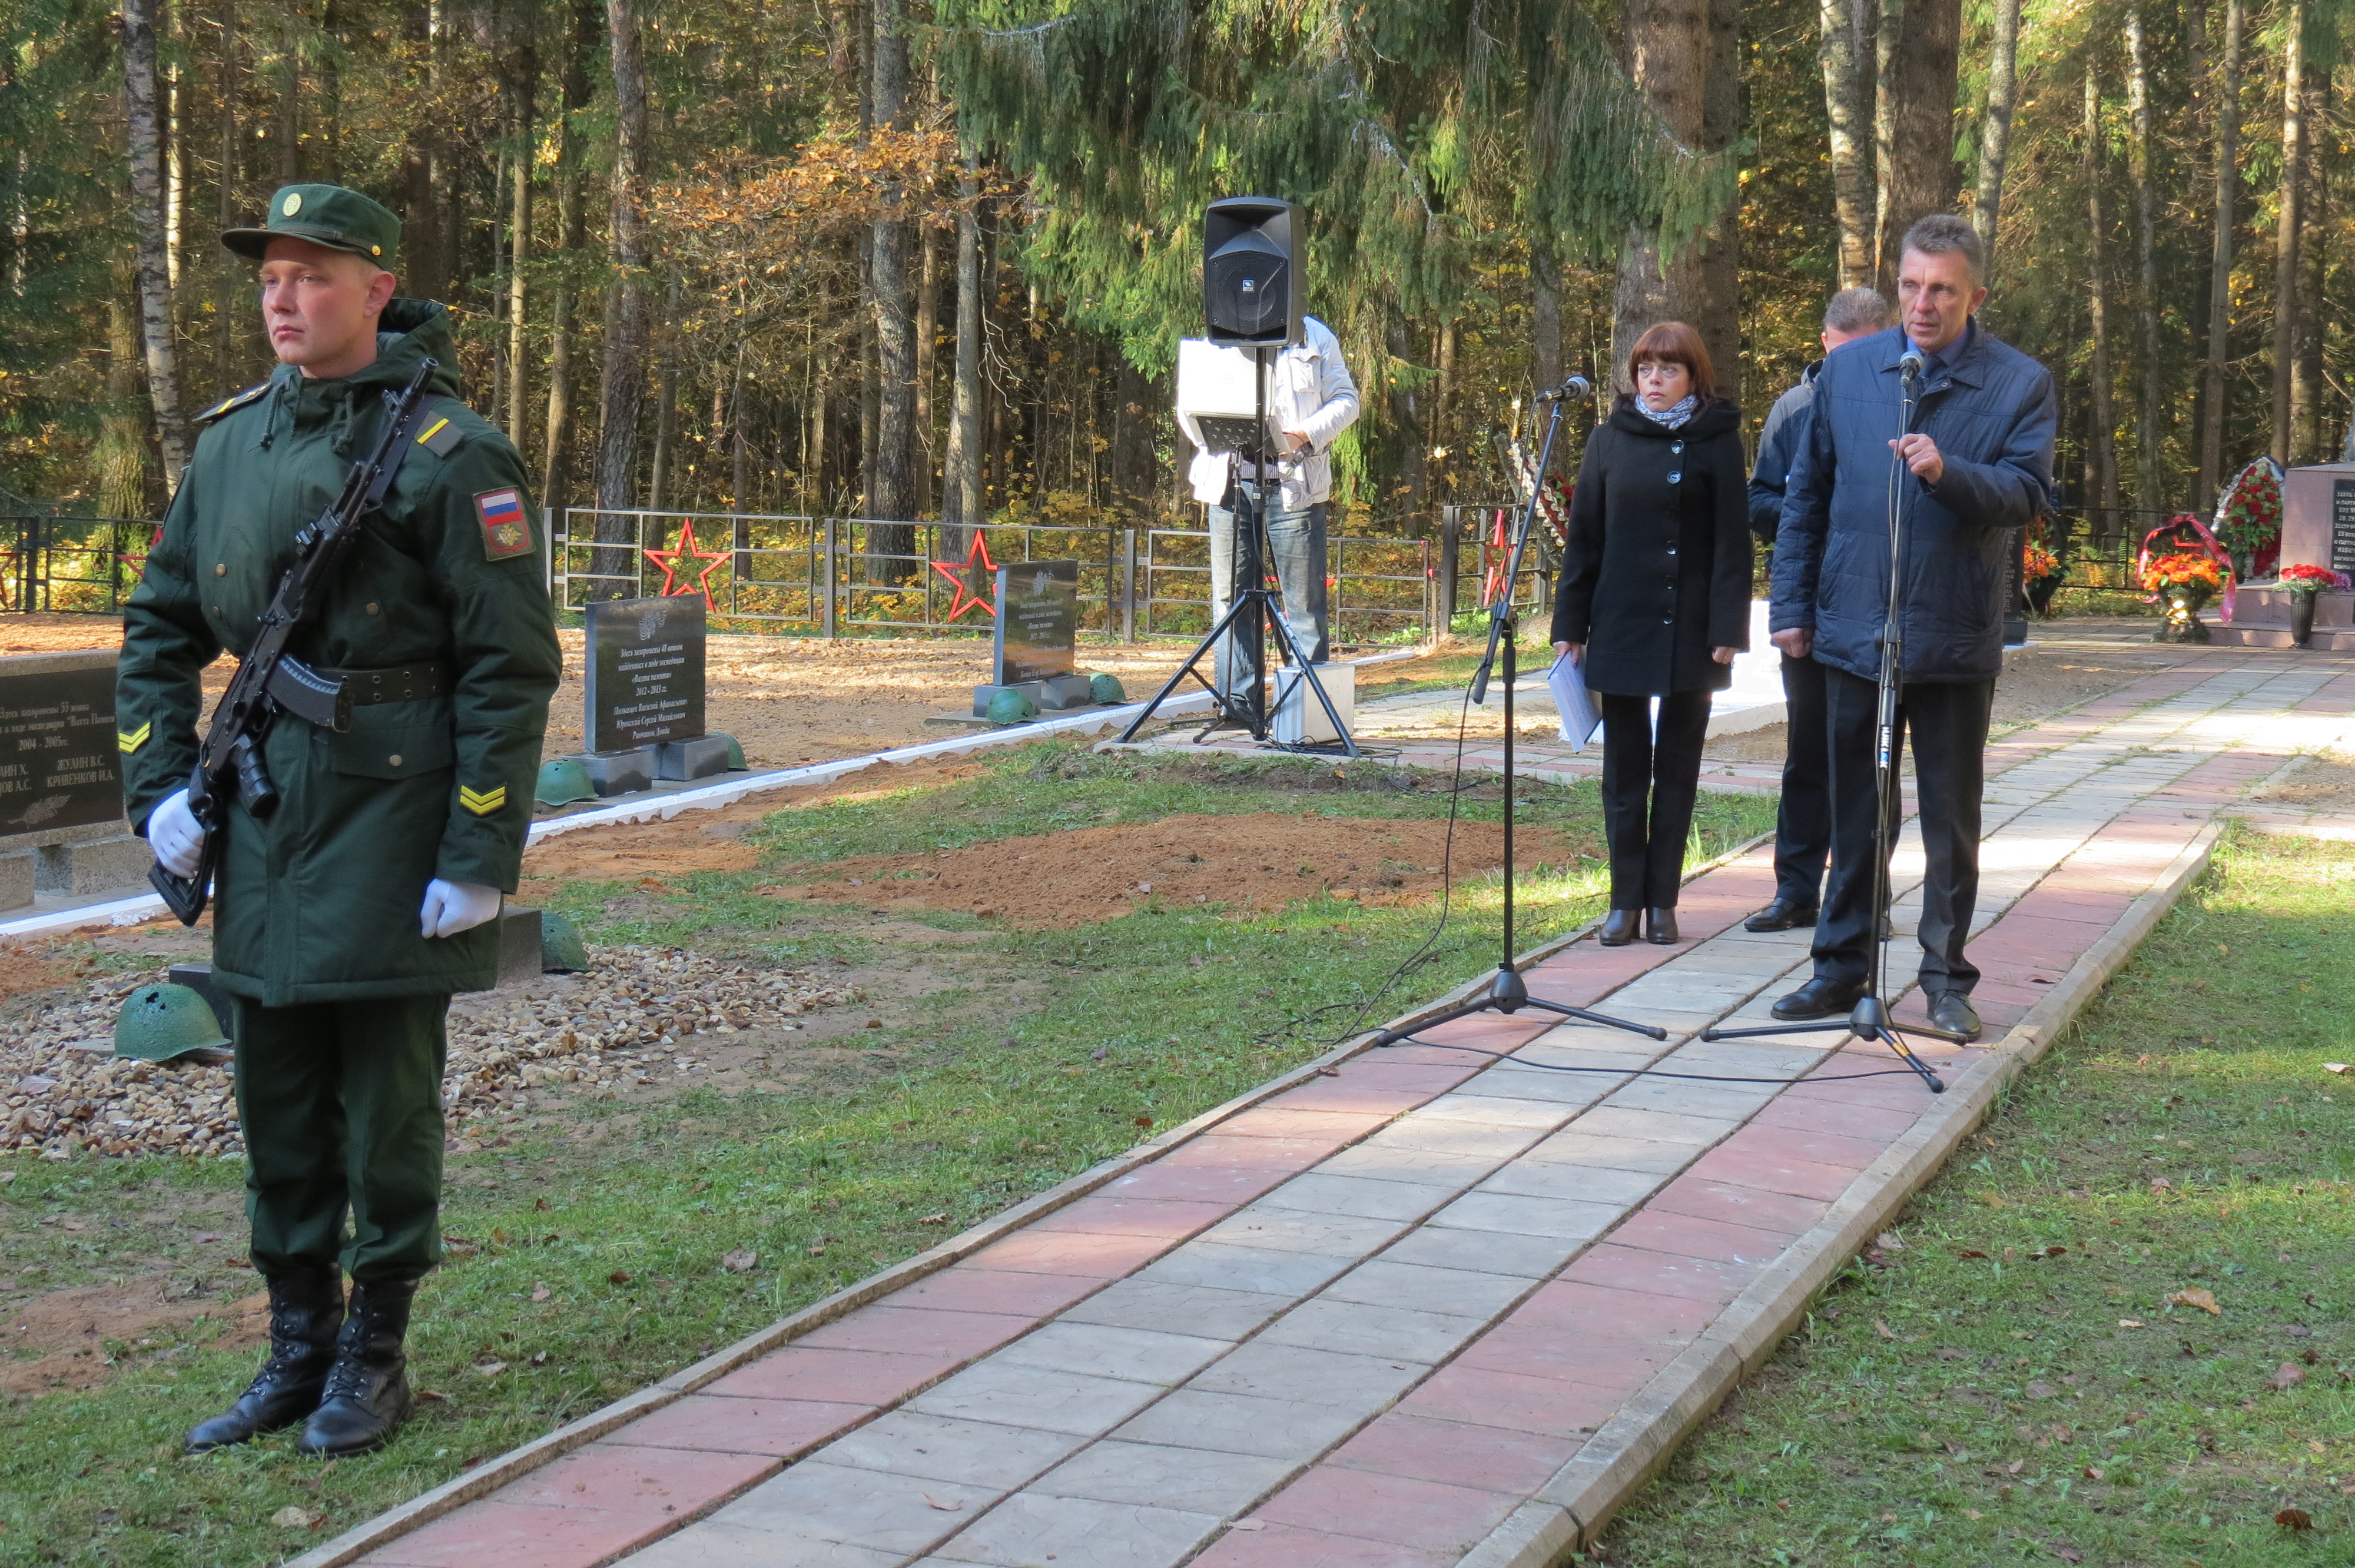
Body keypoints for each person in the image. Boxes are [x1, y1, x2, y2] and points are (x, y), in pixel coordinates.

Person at [117, 185, 561, 1457]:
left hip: (394, 825)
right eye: (269, 276)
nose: (282, 298)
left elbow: (506, 666)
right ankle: (297, 1344)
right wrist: (158, 791)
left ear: (376, 290)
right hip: (257, 819)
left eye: (313, 275)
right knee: (279, 1101)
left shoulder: (451, 452)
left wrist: (478, 853)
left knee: (388, 1105)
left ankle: (378, 1351)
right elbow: (157, 628)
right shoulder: (229, 447)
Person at [1767, 213, 2057, 1038]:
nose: (1922, 305)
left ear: (1975, 295)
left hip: (1954, 634)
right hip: (1853, 632)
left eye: (1941, 290)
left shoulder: (2019, 383)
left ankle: (1945, 981)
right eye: (1910, 287)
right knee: (1857, 809)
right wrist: (1791, 610)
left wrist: (1947, 472)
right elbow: (1806, 499)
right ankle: (1838, 968)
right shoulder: (1852, 369)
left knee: (1950, 819)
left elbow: (2029, 494)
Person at [1552, 322, 1752, 946]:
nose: (1655, 380)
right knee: (1624, 771)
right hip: (1621, 623)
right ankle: (1624, 902)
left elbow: (1731, 542)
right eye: (1645, 369)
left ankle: (1662, 902)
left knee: (1678, 768)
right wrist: (1570, 627)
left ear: (1694, 377)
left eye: (1669, 369)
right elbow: (1583, 538)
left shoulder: (1719, 441)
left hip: (1692, 630)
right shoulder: (1608, 441)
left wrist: (1726, 628)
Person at [1743, 286, 1889, 933]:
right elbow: (1761, 502)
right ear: (1824, 342)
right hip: (1808, 598)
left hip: (1876, 605)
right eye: (1842, 351)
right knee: (1808, 752)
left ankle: (1863, 899)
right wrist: (1825, 519)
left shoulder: (1905, 403)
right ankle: (1794, 891)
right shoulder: (1793, 409)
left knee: (1870, 759)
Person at [1184, 314, 1360, 696]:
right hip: (1229, 485)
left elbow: (1347, 401)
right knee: (1232, 599)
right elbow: (1190, 408)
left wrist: (1304, 435)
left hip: (1294, 484)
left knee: (1304, 601)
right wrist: (1212, 431)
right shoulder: (1220, 335)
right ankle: (1238, 703)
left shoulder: (1314, 335)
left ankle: (1305, 709)